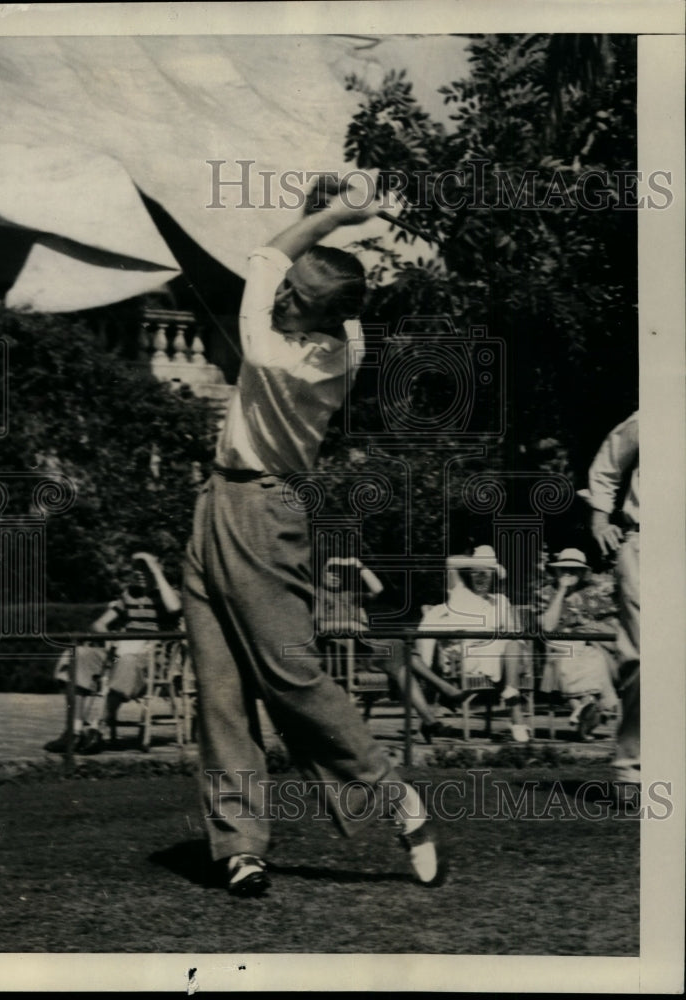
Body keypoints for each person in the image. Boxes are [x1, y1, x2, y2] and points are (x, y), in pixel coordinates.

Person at [182, 182, 437, 898]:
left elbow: (270, 256)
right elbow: (319, 277)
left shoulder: (271, 351)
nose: (283, 294)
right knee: (220, 691)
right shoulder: (345, 346)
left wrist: (332, 215)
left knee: (290, 677)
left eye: (294, 293)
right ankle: (240, 847)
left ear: (303, 309)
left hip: (261, 513)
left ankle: (395, 797)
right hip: (219, 504)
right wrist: (340, 227)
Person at [44, 552, 182, 754]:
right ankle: (73, 731)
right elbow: (99, 624)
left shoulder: (169, 594)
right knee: (79, 654)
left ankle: (96, 728)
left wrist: (156, 571)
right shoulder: (128, 595)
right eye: (137, 567)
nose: (140, 573)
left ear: (158, 567)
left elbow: (175, 608)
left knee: (127, 661)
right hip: (121, 651)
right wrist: (111, 637)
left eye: (146, 567)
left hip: (151, 659)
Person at [315, 556, 445, 743]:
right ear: (320, 573)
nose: (335, 575)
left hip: (366, 653)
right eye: (330, 570)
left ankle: (430, 719)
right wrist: (350, 624)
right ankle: (442, 691)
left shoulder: (349, 595)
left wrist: (359, 566)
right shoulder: (317, 594)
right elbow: (320, 626)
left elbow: (377, 588)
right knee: (400, 646)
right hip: (343, 659)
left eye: (339, 572)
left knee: (402, 657)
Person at [414, 545, 532, 743]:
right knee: (509, 644)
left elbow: (516, 633)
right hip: (466, 655)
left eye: (486, 573)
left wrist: (522, 653)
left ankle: (511, 692)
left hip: (501, 655)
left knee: (512, 642)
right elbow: (450, 561)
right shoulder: (459, 592)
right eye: (476, 572)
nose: (481, 578)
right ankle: (516, 716)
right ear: (468, 573)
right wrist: (481, 563)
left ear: (494, 576)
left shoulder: (501, 601)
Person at [578, 411, 639, 782]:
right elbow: (609, 460)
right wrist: (600, 520)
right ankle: (632, 769)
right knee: (642, 658)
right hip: (646, 539)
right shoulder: (659, 410)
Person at [538, 548, 619, 741]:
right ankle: (587, 706)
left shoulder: (593, 594)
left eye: (574, 570)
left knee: (593, 656)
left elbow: (614, 630)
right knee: (572, 655)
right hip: (557, 649)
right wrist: (562, 591)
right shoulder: (546, 593)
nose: (568, 573)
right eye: (563, 569)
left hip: (589, 649)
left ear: (582, 573)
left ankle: (581, 709)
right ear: (555, 571)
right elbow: (548, 627)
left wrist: (589, 625)